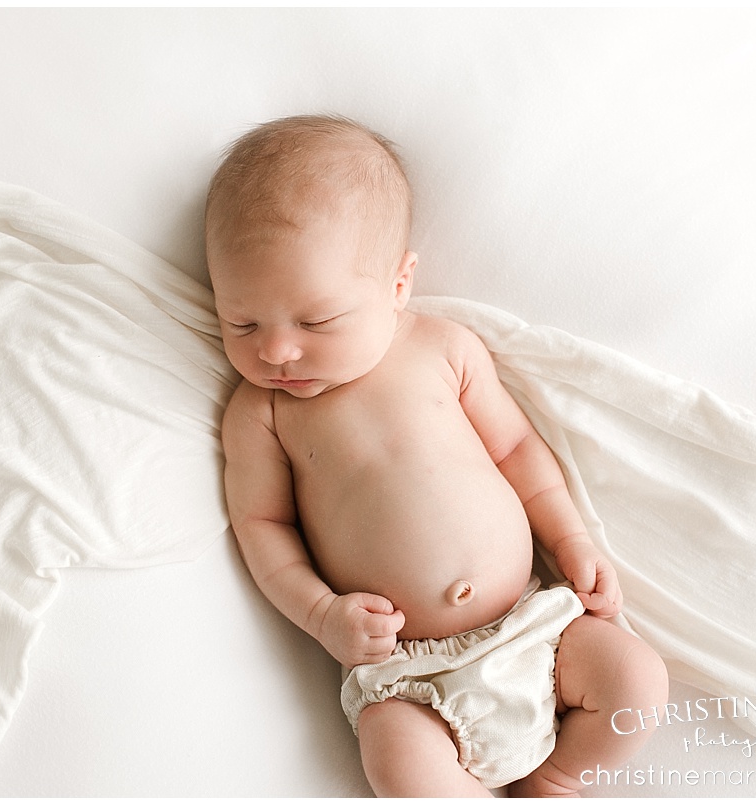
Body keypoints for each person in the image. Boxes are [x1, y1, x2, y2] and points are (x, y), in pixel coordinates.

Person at [205, 113, 668, 797]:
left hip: (535, 630)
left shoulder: (444, 349)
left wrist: (571, 539)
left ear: (398, 285)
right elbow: (262, 526)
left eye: (315, 320)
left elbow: (514, 448)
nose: (274, 350)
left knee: (638, 681)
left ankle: (559, 777)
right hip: (409, 677)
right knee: (399, 766)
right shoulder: (262, 412)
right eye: (240, 322)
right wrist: (321, 615)